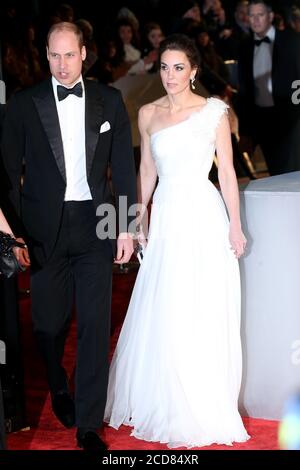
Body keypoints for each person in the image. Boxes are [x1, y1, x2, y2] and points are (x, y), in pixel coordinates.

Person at [104, 33, 250, 448]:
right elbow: (146, 171)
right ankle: (165, 394)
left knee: (201, 302)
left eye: (178, 68)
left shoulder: (214, 112)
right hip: (166, 215)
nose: (170, 75)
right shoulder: (148, 113)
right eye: (165, 67)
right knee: (167, 302)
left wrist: (235, 224)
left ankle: (202, 398)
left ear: (194, 71)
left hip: (204, 215)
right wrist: (136, 220)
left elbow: (224, 174)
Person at [1, 22, 137, 451]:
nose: (61, 65)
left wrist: (127, 227)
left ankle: (89, 426)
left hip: (95, 224)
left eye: (69, 55)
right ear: (46, 55)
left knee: (96, 326)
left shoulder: (109, 100)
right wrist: (14, 235)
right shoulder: (25, 104)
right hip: (42, 232)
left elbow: (124, 170)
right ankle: (59, 385)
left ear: (84, 54)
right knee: (47, 324)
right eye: (54, 56)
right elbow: (6, 174)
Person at [237, 0, 300, 175]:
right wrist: (245, 132)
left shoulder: (292, 40)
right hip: (263, 122)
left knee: (291, 173)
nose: (256, 20)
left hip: (291, 120)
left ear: (270, 16)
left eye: (260, 15)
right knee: (276, 174)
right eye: (252, 15)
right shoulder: (244, 47)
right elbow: (244, 92)